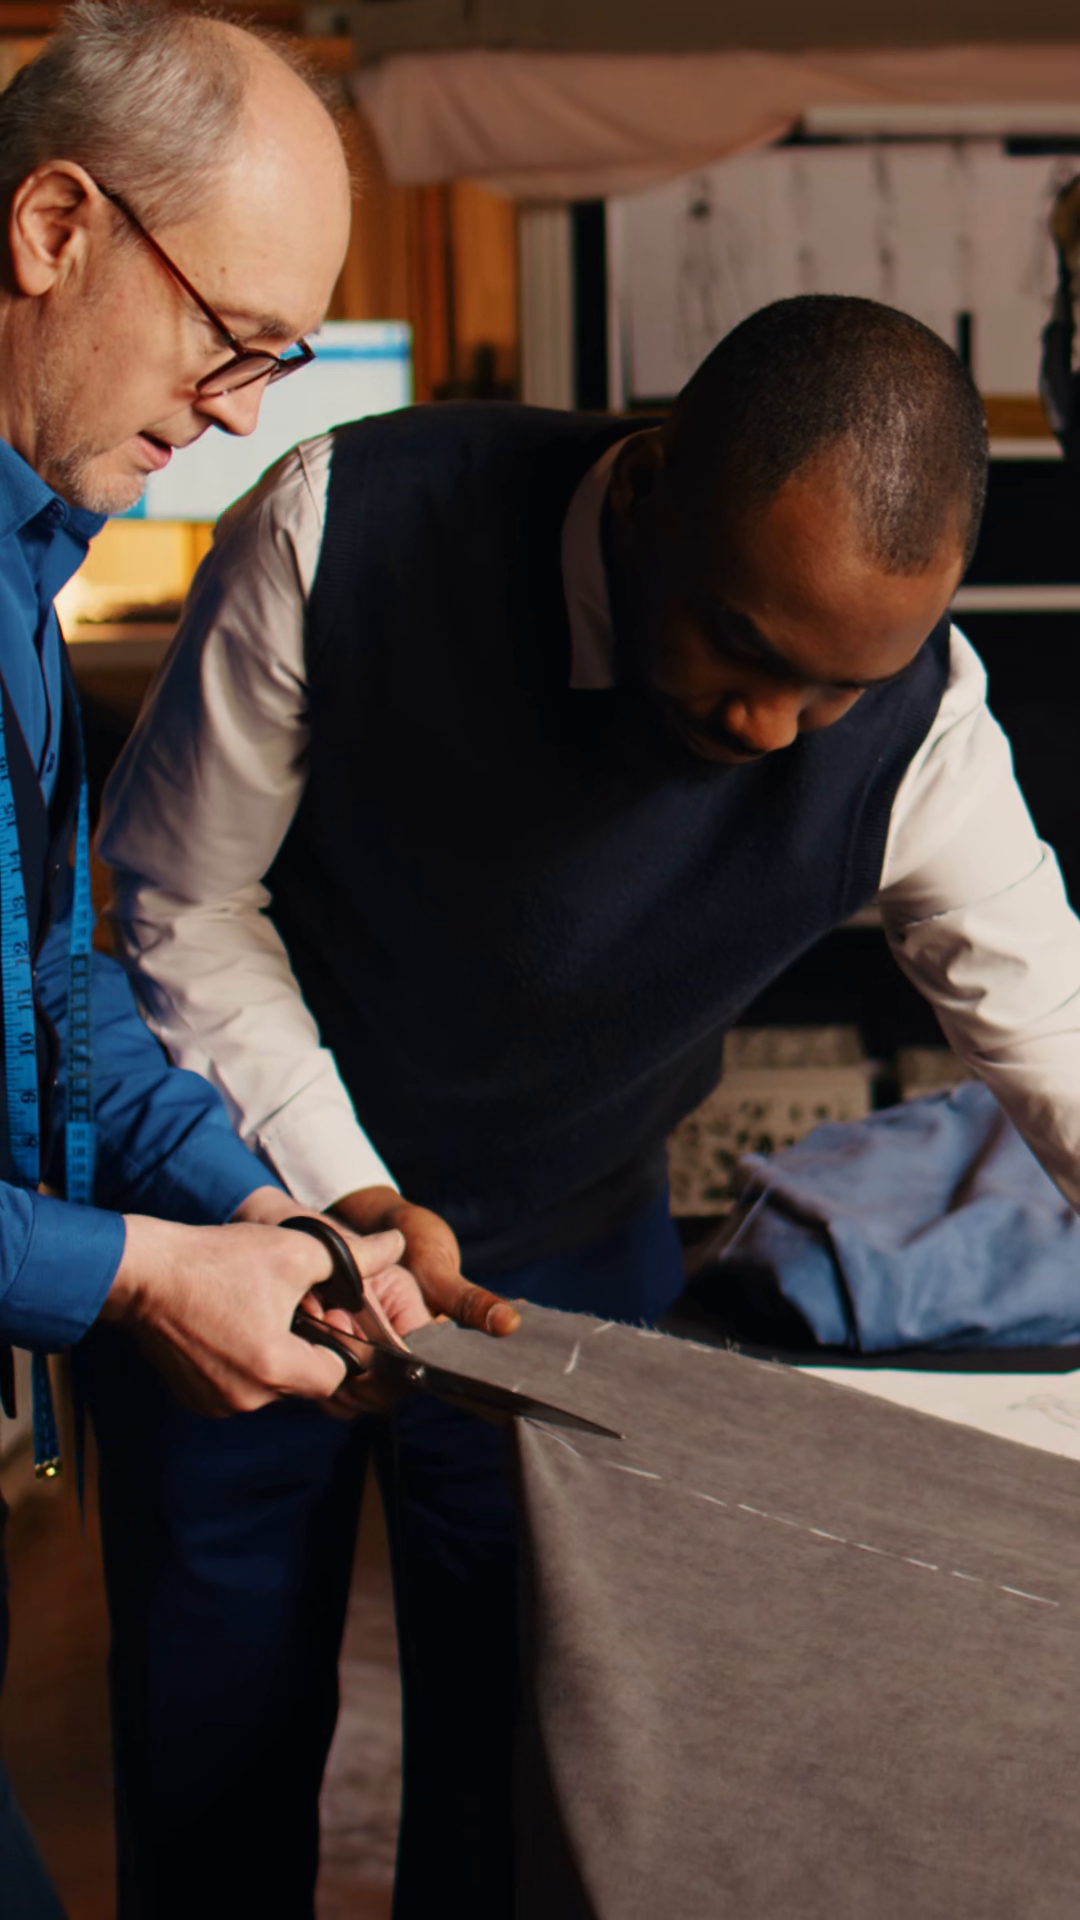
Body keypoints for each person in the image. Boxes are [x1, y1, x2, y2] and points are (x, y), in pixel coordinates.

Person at [100, 293, 1080, 1916]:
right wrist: (344, 1189)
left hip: (568, 1251)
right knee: (216, 1734)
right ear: (648, 485)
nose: (770, 725)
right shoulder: (347, 529)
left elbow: (1057, 1028)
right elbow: (180, 903)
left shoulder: (923, 725)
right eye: (744, 649)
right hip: (241, 1222)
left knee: (536, 1764)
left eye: (832, 691)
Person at [0, 6, 514, 1913]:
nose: (240, 410)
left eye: (277, 361)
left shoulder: (27, 565)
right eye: (231, 337)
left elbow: (50, 993)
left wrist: (260, 1209)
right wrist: (141, 1275)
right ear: (56, 227)